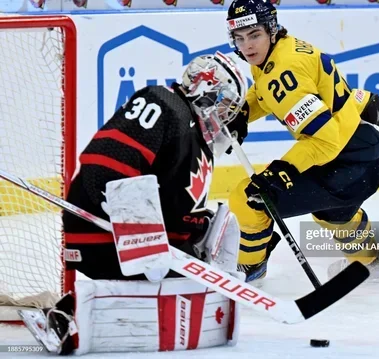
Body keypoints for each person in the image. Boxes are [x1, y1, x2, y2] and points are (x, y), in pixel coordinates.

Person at [21, 52, 248, 355]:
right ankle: (70, 314)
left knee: (219, 229)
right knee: (178, 284)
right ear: (207, 87)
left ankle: (78, 314)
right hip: (103, 236)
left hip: (146, 246)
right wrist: (141, 236)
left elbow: (171, 204)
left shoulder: (195, 140)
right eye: (225, 104)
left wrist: (196, 229)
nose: (225, 114)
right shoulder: (163, 103)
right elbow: (104, 166)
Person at [224, 0, 379, 284]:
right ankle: (371, 260)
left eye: (254, 34)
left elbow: (325, 140)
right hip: (368, 146)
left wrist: (283, 170)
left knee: (250, 198)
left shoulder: (283, 70)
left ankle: (249, 270)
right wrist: (243, 114)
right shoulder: (280, 50)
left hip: (347, 162)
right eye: (240, 38)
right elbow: (265, 92)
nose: (247, 46)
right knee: (332, 212)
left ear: (271, 29)